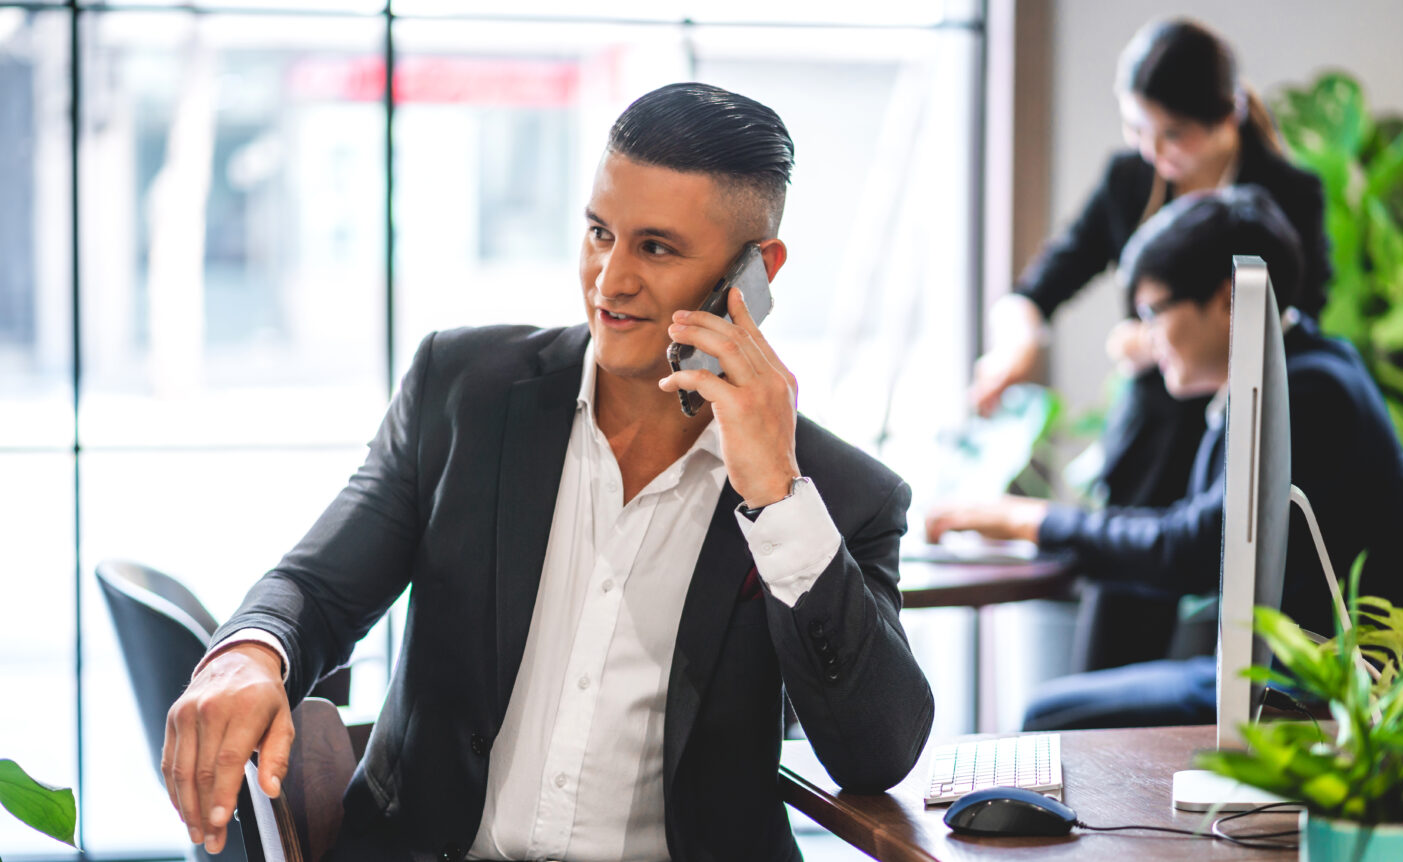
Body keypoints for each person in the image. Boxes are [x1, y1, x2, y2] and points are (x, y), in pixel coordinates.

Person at [161, 83, 934, 861]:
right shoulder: (461, 388)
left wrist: (776, 496)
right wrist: (248, 651)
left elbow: (876, 755)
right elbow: (318, 590)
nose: (609, 280)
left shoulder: (837, 495)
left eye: (655, 248)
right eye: (600, 232)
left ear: (756, 270)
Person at [928, 187, 1403, 730]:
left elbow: (1196, 547)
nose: (1145, 336)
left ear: (1226, 302)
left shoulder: (1308, 393)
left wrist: (1028, 519)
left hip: (1332, 685)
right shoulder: (1298, 370)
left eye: (1153, 311)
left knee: (1050, 713)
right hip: (1290, 666)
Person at [972, 17, 1332, 513]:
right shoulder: (1130, 180)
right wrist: (1013, 351)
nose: (1152, 150)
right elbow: (1044, 284)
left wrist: (1153, 341)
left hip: (1246, 432)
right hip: (1150, 437)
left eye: (1173, 133)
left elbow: (1301, 323)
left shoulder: (1288, 195)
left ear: (1227, 118)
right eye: (1136, 127)